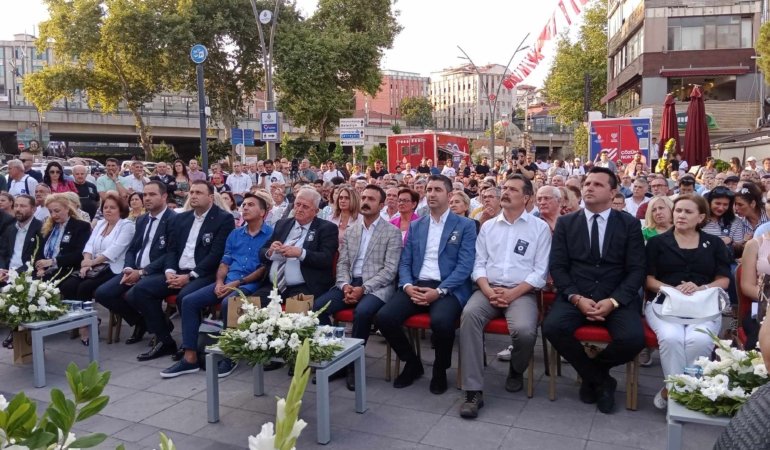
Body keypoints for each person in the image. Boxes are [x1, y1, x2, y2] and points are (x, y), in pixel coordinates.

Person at [543, 167, 646, 414]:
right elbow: (558, 267)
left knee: (633, 339)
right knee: (552, 327)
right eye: (587, 183)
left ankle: (593, 373)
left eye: (597, 185)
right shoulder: (567, 223)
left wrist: (614, 301)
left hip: (616, 296)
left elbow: (636, 270)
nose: (589, 187)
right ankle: (602, 381)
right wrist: (576, 298)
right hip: (577, 295)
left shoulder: (629, 224)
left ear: (613, 193)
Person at [458, 175, 551, 418]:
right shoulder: (488, 227)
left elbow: (540, 273)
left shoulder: (539, 228)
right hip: (487, 289)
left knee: (525, 330)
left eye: (512, 189)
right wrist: (488, 290)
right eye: (505, 188)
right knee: (468, 316)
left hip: (521, 293)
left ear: (527, 197)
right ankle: (472, 390)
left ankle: (516, 369)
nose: (506, 192)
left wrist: (512, 294)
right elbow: (478, 265)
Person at [376, 175, 477, 394]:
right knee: (384, 317)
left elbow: (465, 265)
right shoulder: (417, 225)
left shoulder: (465, 225)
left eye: (437, 190)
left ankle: (440, 369)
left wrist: (440, 291)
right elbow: (405, 261)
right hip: (417, 284)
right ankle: (412, 363)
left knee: (441, 323)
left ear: (449, 196)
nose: (431, 193)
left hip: (447, 287)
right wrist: (406, 286)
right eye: (429, 189)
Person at [161, 192, 274, 378]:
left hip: (251, 284)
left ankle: (231, 355)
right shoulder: (236, 234)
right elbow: (225, 262)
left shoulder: (271, 234)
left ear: (263, 212)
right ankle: (190, 357)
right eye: (243, 204)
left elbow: (263, 269)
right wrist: (220, 281)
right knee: (189, 301)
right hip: (228, 281)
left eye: (251, 205)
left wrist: (237, 283)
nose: (244, 207)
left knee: (228, 303)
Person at [127, 180, 235, 361]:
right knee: (140, 290)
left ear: (210, 197)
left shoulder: (223, 218)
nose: (193, 196)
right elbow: (172, 249)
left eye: (199, 193)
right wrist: (169, 270)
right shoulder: (181, 218)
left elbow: (216, 254)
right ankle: (165, 340)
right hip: (177, 271)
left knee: (185, 297)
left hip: (203, 274)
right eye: (191, 192)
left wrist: (190, 276)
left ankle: (190, 346)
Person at [645, 195, 731, 409]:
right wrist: (672, 290)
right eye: (678, 210)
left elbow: (724, 280)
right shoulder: (657, 243)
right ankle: (681, 397)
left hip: (703, 305)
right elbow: (647, 279)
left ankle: (672, 391)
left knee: (699, 341)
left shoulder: (714, 244)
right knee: (672, 338)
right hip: (664, 304)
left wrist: (701, 288)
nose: (681, 215)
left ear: (701, 217)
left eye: (688, 212)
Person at [313, 185, 402, 390]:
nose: (365, 201)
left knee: (362, 313)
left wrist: (364, 288)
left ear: (381, 205)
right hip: (349, 282)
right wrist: (344, 285)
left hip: (378, 286)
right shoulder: (352, 230)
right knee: (318, 307)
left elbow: (390, 271)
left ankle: (353, 365)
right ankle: (334, 355)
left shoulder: (392, 232)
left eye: (371, 199)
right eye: (363, 197)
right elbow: (342, 263)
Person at [94, 181, 177, 345]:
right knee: (103, 293)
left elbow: (171, 253)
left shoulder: (174, 220)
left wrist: (141, 272)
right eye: (145, 194)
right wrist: (129, 268)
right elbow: (132, 249)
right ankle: (142, 322)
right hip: (135, 268)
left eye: (152, 194)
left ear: (164, 196)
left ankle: (162, 334)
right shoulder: (141, 220)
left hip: (158, 271)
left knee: (136, 293)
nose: (147, 198)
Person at [60, 193, 135, 345]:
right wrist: (87, 259)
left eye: (112, 208)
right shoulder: (100, 223)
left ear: (121, 209)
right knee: (68, 285)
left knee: (84, 287)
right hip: (94, 264)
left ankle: (85, 327)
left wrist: (90, 263)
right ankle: (84, 320)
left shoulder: (127, 225)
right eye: (105, 207)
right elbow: (89, 244)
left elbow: (114, 251)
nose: (108, 210)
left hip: (113, 267)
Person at [253, 187, 337, 311]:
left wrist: (301, 253)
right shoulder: (283, 224)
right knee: (248, 309)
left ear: (316, 211)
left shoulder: (326, 228)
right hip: (273, 286)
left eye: (305, 206)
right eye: (297, 204)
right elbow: (261, 252)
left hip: (304, 286)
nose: (299, 209)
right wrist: (270, 251)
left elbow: (326, 259)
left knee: (293, 323)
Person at [33, 194, 91, 280]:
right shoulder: (48, 227)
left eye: (57, 211)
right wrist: (39, 267)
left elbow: (79, 254)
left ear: (67, 209)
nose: (53, 215)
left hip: (66, 270)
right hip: (45, 271)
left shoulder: (81, 226)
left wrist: (53, 261)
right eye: (50, 212)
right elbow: (39, 251)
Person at [0, 195, 43, 277]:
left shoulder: (41, 229)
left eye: (23, 206)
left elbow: (37, 259)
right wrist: (1, 269)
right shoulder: (10, 228)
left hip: (27, 275)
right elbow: (2, 252)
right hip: (6, 273)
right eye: (16, 206)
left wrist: (14, 273)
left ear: (34, 209)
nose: (18, 209)